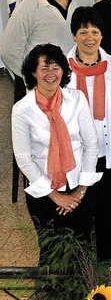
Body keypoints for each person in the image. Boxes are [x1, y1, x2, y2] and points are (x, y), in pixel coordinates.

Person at [12, 44, 101, 264]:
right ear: (33, 72)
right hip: (44, 191)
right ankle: (50, 299)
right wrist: (55, 195)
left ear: (63, 70)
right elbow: (23, 158)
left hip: (79, 187)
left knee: (81, 250)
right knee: (51, 253)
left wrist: (80, 192)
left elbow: (91, 144)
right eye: (44, 68)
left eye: (56, 67)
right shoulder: (22, 109)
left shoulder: (77, 99)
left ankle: (83, 297)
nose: (51, 74)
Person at [66, 7, 111, 261]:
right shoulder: (62, 70)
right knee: (79, 212)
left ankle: (105, 263)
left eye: (94, 31)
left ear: (102, 35)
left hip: (105, 152)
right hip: (74, 155)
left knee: (106, 210)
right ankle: (80, 266)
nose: (89, 37)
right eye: (83, 31)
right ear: (74, 35)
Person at [0, 0, 94, 101]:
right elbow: (8, 51)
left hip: (76, 85)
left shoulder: (85, 0)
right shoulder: (29, 7)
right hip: (43, 89)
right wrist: (34, 78)